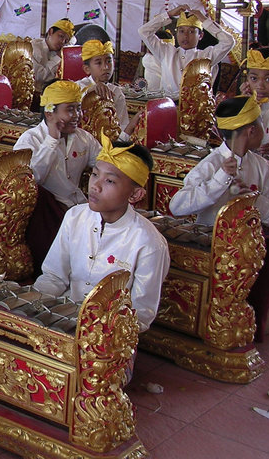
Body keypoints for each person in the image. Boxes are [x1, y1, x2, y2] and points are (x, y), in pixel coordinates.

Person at [170, 95, 269, 341]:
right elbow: (177, 206)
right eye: (260, 125)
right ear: (252, 130)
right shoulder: (211, 163)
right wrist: (219, 181)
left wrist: (252, 197)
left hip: (249, 243)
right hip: (212, 240)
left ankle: (251, 324)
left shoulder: (262, 166)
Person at [34, 134, 169, 333]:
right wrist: (35, 307)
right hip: (62, 323)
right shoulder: (74, 217)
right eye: (95, 174)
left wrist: (95, 330)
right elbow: (54, 277)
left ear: (135, 195)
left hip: (108, 341)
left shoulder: (149, 243)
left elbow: (141, 314)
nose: (95, 186)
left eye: (110, 181)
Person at [13, 80, 101, 273]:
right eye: (70, 110)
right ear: (50, 113)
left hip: (78, 209)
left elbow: (104, 165)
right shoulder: (30, 140)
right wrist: (52, 141)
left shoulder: (84, 138)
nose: (77, 116)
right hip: (46, 215)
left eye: (78, 109)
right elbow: (30, 180)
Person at [139, 4, 234, 97]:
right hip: (168, 107)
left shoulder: (206, 55)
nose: (185, 36)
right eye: (181, 31)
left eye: (191, 31)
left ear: (200, 36)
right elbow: (144, 31)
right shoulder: (166, 52)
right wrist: (169, 14)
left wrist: (204, 20)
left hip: (194, 110)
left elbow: (229, 42)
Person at [76, 39, 140, 137]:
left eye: (109, 61)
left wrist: (131, 126)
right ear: (87, 69)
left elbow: (121, 130)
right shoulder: (78, 86)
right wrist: (91, 90)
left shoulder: (116, 92)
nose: (106, 67)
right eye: (98, 63)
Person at [31, 18, 74, 92]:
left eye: (66, 41)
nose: (62, 42)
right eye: (61, 36)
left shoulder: (61, 54)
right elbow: (39, 76)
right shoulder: (35, 47)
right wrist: (57, 58)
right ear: (51, 32)